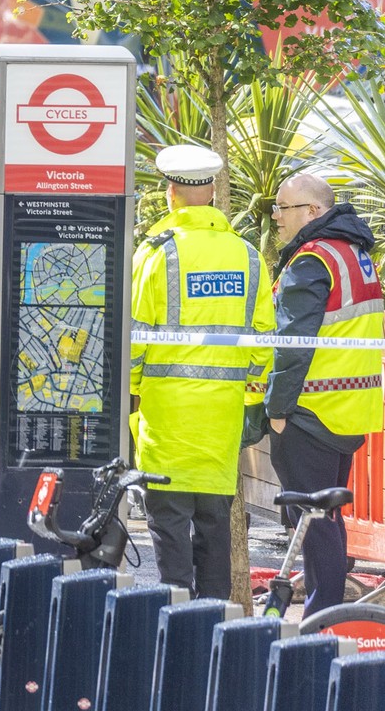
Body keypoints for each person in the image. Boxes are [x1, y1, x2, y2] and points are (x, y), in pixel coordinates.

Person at [129, 144, 273, 600]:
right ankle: (214, 631)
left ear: (171, 194)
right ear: (211, 194)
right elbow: (263, 340)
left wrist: (132, 393)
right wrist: (249, 396)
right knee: (214, 536)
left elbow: (136, 338)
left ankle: (176, 630)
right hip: (220, 425)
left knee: (168, 535)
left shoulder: (155, 253)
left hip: (166, 422)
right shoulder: (248, 256)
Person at [263, 171, 385, 615]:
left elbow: (293, 345)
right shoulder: (355, 254)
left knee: (313, 524)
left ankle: (323, 619)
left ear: (313, 211)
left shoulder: (313, 260)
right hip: (348, 410)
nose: (276, 216)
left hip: (310, 411)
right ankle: (329, 613)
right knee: (326, 518)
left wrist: (276, 410)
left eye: (284, 207)